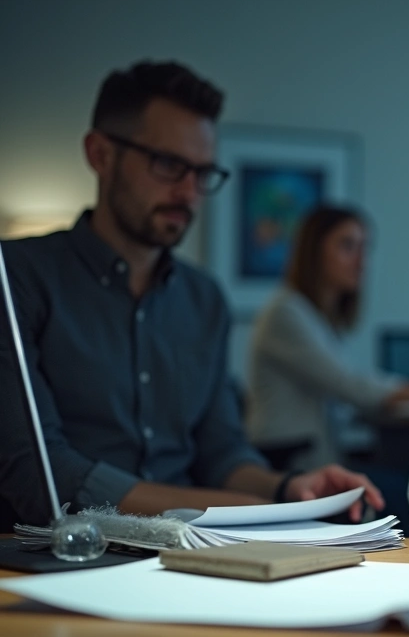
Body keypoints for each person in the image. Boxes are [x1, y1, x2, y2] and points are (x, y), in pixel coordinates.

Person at [0, 61, 382, 527]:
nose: (189, 192)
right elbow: (38, 471)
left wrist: (287, 487)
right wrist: (232, 509)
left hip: (193, 554)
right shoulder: (17, 276)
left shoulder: (204, 300)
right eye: (168, 165)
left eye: (202, 173)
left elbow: (222, 453)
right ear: (100, 154)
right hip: (66, 554)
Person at [245, 205, 409, 472]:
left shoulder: (320, 319)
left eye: (365, 248)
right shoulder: (285, 312)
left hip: (315, 457)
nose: (361, 261)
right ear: (314, 252)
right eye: (347, 246)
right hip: (289, 462)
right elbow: (353, 386)